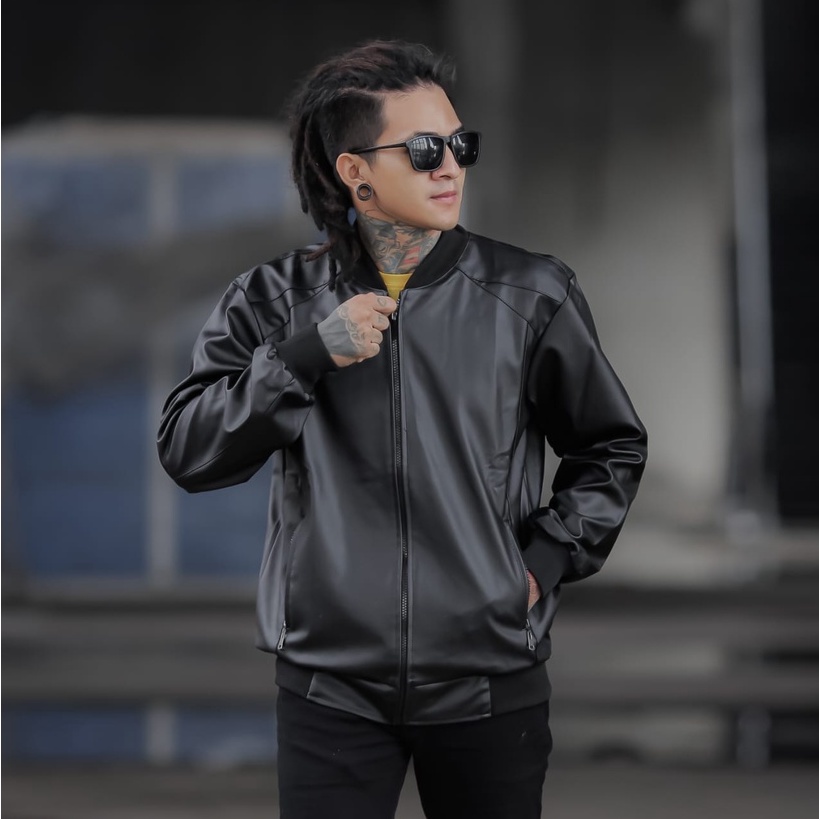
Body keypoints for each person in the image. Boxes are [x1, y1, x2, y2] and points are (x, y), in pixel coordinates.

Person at [157, 38, 647, 819]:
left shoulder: (530, 293)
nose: (450, 167)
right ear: (355, 172)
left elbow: (609, 444)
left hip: (488, 676)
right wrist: (303, 356)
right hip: (330, 684)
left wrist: (544, 558)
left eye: (460, 145)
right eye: (423, 150)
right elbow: (189, 449)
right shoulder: (273, 302)